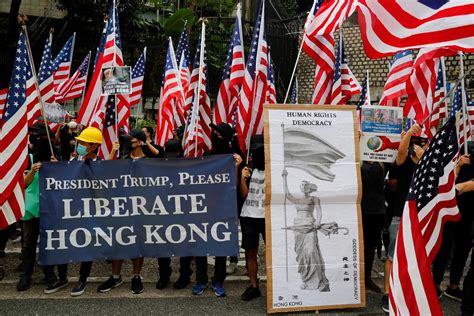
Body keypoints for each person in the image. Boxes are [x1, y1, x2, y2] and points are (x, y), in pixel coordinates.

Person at [192, 123, 242, 297]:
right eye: (214, 133)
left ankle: (218, 281)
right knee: (200, 244)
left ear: (226, 138)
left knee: (221, 245)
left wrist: (236, 168)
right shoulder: (207, 155)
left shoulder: (234, 157)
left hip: (224, 208)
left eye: (219, 134)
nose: (215, 135)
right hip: (204, 207)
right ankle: (201, 279)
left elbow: (235, 185)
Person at [16, 123, 66, 293]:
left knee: (48, 243)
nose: (43, 143)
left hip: (50, 209)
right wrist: (32, 171)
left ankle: (49, 274)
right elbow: (23, 184)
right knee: (28, 245)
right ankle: (25, 275)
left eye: (46, 140)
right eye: (40, 140)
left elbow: (65, 183)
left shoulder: (56, 158)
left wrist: (57, 167)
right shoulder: (29, 159)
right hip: (31, 209)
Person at [381, 124, 426, 312]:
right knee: (392, 255)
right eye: (418, 143)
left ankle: (406, 290)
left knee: (414, 258)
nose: (420, 146)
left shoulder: (427, 167)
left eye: (423, 143)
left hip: (419, 217)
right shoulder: (404, 164)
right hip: (400, 215)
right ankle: (387, 294)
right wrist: (409, 133)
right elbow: (400, 152)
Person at [97, 129, 146, 295]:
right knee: (117, 241)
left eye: (130, 140)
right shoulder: (122, 159)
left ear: (139, 142)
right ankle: (115, 276)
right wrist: (112, 150)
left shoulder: (148, 161)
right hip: (120, 207)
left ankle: (136, 276)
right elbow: (105, 170)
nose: (128, 143)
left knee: (138, 243)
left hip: (141, 208)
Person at [432, 151, 473, 301]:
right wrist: (459, 165)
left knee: (463, 248)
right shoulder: (457, 152)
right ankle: (435, 284)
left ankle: (454, 285)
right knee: (444, 246)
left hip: (469, 213)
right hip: (451, 208)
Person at [69, 126, 104, 296]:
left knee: (87, 243)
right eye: (79, 142)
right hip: (74, 210)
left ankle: (83, 279)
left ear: (94, 146)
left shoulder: (101, 165)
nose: (79, 145)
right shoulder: (74, 161)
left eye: (83, 142)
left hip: (94, 211)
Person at [282, 173, 330, 292]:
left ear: (309, 187)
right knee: (301, 254)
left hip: (310, 226)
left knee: (311, 251)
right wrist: (284, 177)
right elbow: (286, 194)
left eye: (305, 184)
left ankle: (318, 280)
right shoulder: (297, 199)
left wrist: (318, 222)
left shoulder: (314, 199)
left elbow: (319, 212)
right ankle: (305, 279)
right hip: (298, 227)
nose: (303, 186)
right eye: (301, 184)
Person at [156, 138, 193, 290]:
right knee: (162, 245)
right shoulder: (160, 165)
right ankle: (164, 275)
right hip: (163, 210)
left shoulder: (188, 167)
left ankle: (185, 275)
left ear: (179, 153)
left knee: (184, 245)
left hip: (183, 211)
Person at [239, 135, 266, 301]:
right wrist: (241, 178)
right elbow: (244, 194)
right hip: (249, 216)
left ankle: (278, 286)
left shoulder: (276, 169)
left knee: (274, 252)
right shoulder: (248, 170)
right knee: (250, 252)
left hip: (268, 217)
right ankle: (254, 286)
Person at [360, 161, 387, 293]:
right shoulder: (359, 162)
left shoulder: (383, 161)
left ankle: (367, 277)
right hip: (361, 209)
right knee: (359, 245)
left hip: (377, 210)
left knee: (371, 247)